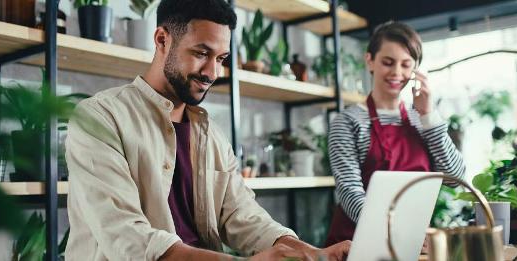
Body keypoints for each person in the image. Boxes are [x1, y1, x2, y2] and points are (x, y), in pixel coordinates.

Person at [64, 0, 350, 260]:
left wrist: (311, 253)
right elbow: (127, 236)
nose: (212, 72)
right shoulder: (100, 117)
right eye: (202, 53)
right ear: (162, 39)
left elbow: (242, 214)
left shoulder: (210, 133)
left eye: (221, 59)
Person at [325, 21, 466, 246]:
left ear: (416, 69)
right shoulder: (348, 122)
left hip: (409, 243)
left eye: (406, 65)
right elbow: (350, 192)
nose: (397, 73)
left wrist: (429, 115)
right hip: (355, 245)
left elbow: (454, 177)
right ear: (370, 60)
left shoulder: (422, 120)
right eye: (388, 63)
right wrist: (394, 233)